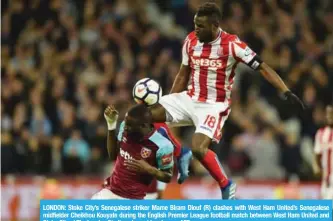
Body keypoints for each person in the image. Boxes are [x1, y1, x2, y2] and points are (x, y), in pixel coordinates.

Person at [149, 2, 305, 199]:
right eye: (195, 24)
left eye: (201, 26)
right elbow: (182, 74)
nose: (196, 29)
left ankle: (226, 184)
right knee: (146, 115)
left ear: (215, 26)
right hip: (190, 97)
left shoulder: (232, 45)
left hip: (213, 105)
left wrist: (286, 90)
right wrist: (171, 101)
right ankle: (180, 153)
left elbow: (263, 67)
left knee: (199, 148)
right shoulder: (190, 40)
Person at [91, 104, 174, 199]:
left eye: (130, 126)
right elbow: (113, 156)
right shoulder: (125, 126)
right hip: (111, 191)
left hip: (133, 198)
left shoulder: (163, 145)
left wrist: (149, 169)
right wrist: (111, 125)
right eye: (126, 124)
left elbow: (167, 176)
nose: (125, 128)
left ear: (144, 126)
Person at [313, 104, 333, 200]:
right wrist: (317, 168)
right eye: (328, 113)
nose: (329, 116)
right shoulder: (320, 134)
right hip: (326, 180)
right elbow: (317, 155)